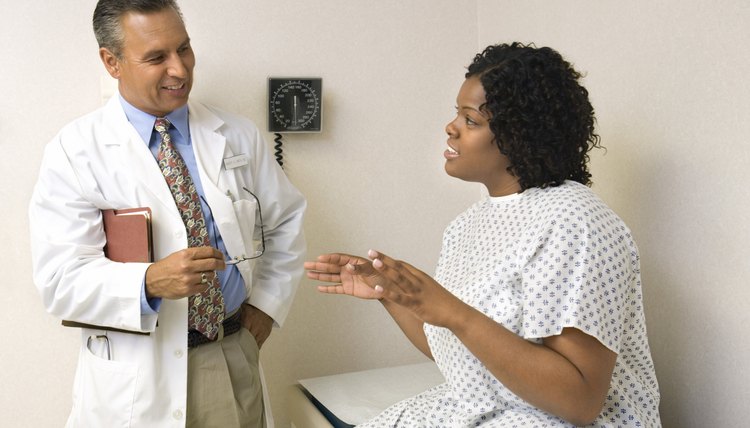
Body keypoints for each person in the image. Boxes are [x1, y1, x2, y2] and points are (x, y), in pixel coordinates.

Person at [305, 42, 660, 427]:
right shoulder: (466, 226)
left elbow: (579, 400)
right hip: (486, 411)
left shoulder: (576, 222)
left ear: (520, 135)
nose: (451, 128)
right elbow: (460, 353)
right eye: (456, 114)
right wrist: (392, 295)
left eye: (471, 120)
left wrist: (454, 312)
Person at [28, 1, 306, 426]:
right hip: (136, 372)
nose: (180, 69)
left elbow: (285, 221)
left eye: (185, 49)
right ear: (112, 62)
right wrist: (149, 280)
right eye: (157, 57)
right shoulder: (75, 151)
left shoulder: (235, 136)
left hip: (228, 353)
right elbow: (60, 280)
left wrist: (265, 308)